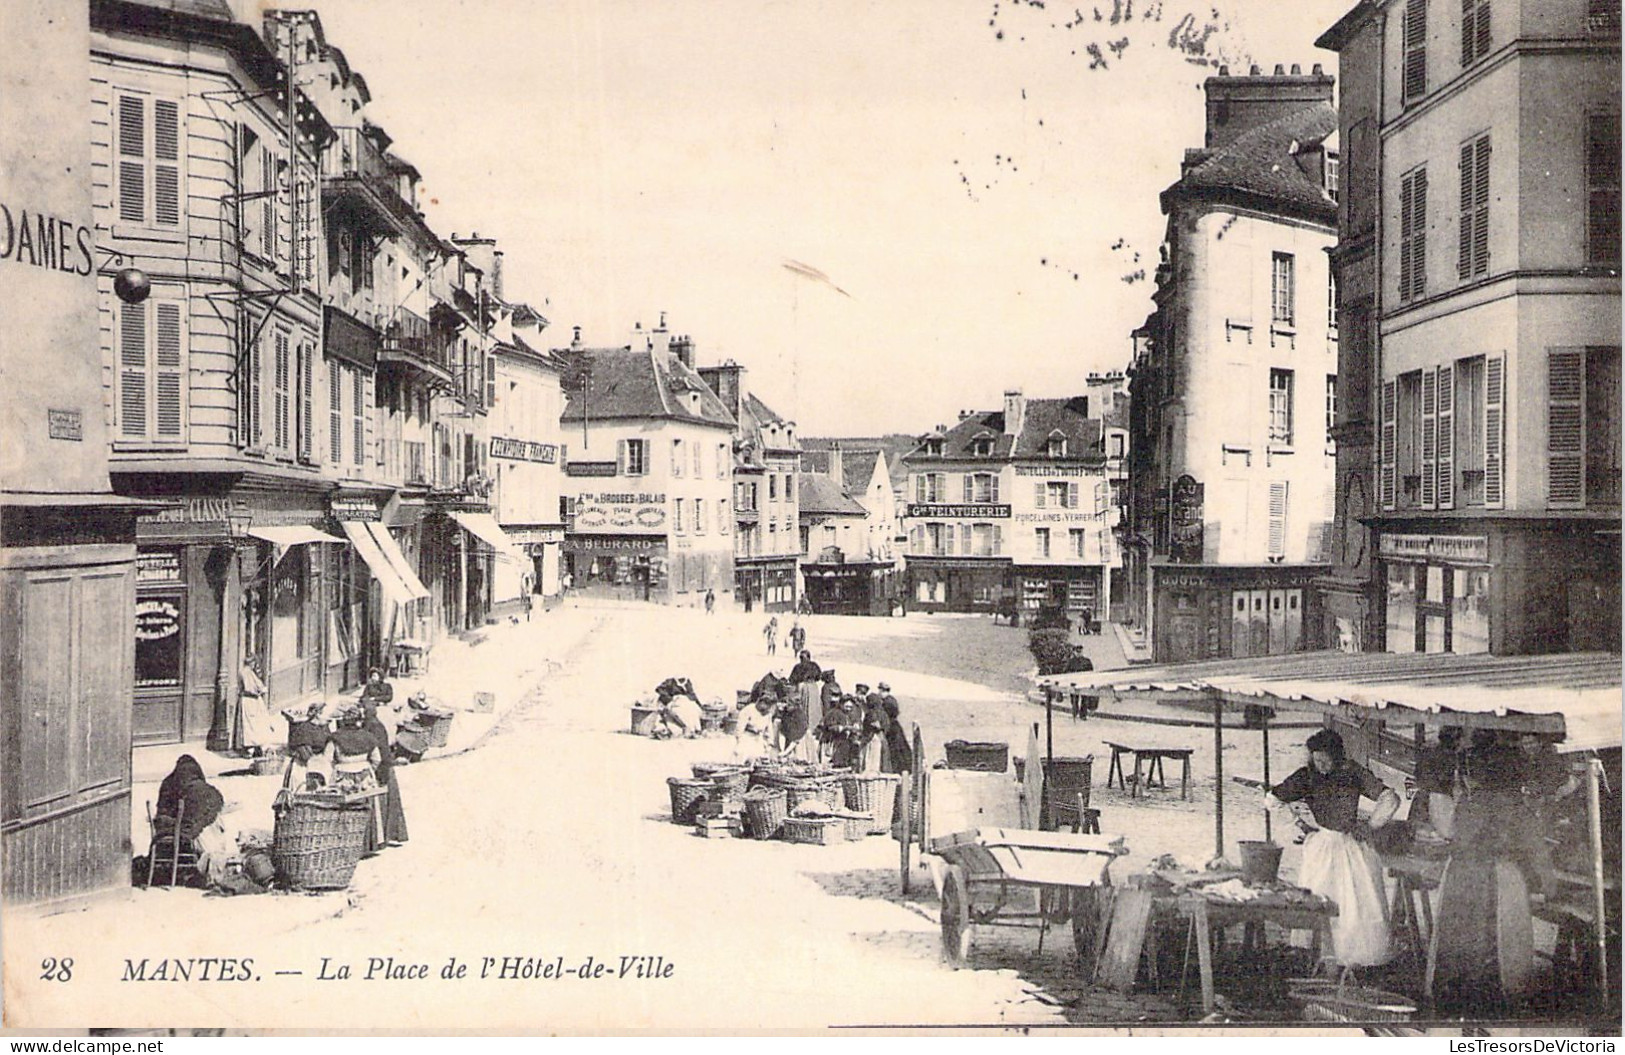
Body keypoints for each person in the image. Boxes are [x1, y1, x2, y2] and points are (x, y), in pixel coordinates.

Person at [1433, 742, 1553, 1016]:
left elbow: (1452, 833)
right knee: (1497, 940)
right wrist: (1549, 885)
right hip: (1498, 876)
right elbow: (1536, 848)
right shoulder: (1514, 805)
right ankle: (1494, 999)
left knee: (1460, 939)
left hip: (1462, 874)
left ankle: (1457, 1000)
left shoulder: (1470, 801)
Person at [1266, 729, 1399, 970]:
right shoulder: (1307, 776)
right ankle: (1318, 958)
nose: (1322, 765)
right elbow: (1272, 799)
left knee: (1356, 902)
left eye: (1326, 759)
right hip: (1323, 846)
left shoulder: (1352, 772)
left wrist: (1371, 825)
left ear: (1337, 756)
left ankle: (1355, 960)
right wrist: (1297, 824)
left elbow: (1389, 798)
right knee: (1321, 898)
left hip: (1351, 846)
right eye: (1317, 760)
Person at [153, 755, 225, 883]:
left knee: (206, 826)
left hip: (178, 826)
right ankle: (209, 862)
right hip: (176, 829)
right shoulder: (181, 788)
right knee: (208, 828)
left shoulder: (176, 784)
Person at [327, 708, 384, 853]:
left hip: (342, 774)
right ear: (359, 720)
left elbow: (327, 758)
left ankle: (343, 843)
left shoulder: (335, 738)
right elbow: (377, 759)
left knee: (343, 809)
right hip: (364, 774)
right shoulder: (368, 736)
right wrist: (368, 769)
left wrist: (336, 767)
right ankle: (367, 844)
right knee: (366, 807)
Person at [363, 701, 408, 847]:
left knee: (384, 804)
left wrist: (381, 766)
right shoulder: (374, 725)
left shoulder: (374, 727)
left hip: (381, 767)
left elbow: (381, 750)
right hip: (383, 764)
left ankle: (384, 837)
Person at [237, 657, 277, 757]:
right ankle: (250, 748)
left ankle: (255, 747)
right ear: (251, 663)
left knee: (255, 723)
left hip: (251, 700)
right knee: (251, 724)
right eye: (253, 663)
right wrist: (261, 690)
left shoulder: (247, 672)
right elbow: (251, 688)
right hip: (250, 701)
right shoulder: (247, 673)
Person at [816, 694, 865, 769]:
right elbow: (828, 727)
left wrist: (856, 725)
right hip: (833, 741)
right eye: (846, 706)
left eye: (850, 707)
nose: (848, 709)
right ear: (841, 705)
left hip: (846, 742)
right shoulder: (834, 713)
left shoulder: (852, 714)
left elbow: (858, 723)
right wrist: (841, 728)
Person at [877, 683, 912, 775]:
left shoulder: (887, 702)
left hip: (891, 728)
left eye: (880, 691)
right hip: (895, 726)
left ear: (882, 691)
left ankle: (898, 769)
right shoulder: (891, 700)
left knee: (895, 749)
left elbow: (888, 715)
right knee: (900, 748)